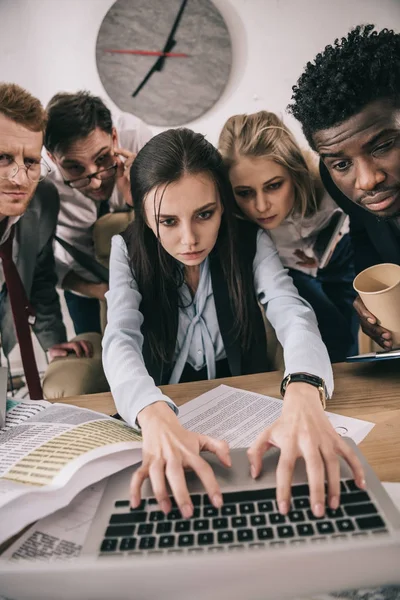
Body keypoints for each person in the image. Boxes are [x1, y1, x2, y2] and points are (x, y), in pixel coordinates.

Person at [103, 128, 365, 520]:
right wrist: (153, 414)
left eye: (204, 214)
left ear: (223, 206)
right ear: (143, 214)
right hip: (162, 399)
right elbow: (121, 335)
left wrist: (306, 389)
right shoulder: (125, 248)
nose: (189, 239)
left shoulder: (250, 240)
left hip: (241, 401)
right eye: (168, 221)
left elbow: (291, 311)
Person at [288, 24, 400, 350]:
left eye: (383, 146)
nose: (366, 181)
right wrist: (368, 300)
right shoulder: (338, 182)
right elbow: (366, 232)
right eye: (341, 164)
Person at [218, 110, 359, 363]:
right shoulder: (228, 213)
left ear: (294, 172)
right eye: (245, 192)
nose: (261, 206)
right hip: (288, 267)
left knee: (350, 334)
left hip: (339, 253)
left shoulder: (327, 180)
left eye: (273, 186)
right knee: (329, 331)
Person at [0, 83, 92, 397]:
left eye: (31, 161)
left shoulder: (43, 199)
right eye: (2, 158)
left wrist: (53, 341)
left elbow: (39, 277)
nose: (20, 177)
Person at [44, 91, 152, 335]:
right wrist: (95, 290)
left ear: (114, 136)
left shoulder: (136, 138)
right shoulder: (43, 183)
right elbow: (41, 262)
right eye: (74, 167)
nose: (95, 182)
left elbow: (168, 223)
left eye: (103, 158)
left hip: (146, 279)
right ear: (52, 158)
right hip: (85, 288)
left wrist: (138, 198)